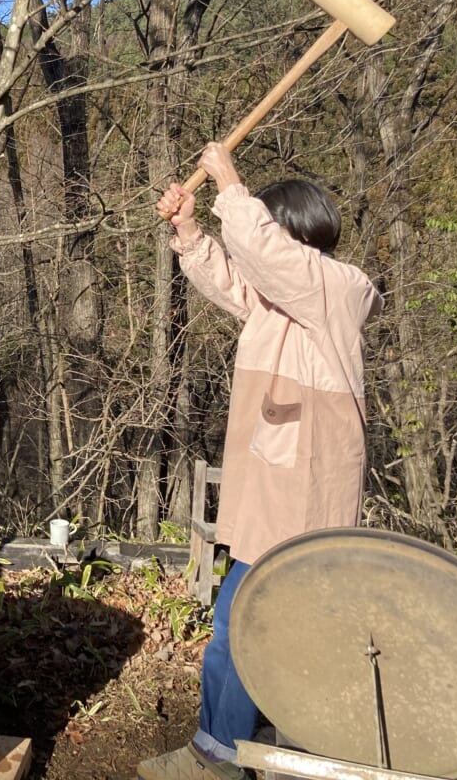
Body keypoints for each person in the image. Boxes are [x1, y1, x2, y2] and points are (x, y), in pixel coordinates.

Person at [138, 143, 383, 780]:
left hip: (299, 515)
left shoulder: (336, 290)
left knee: (246, 632)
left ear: (292, 232)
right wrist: (190, 227)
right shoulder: (286, 299)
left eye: (267, 229)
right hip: (270, 509)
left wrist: (231, 187)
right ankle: (237, 750)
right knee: (242, 630)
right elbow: (234, 277)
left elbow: (271, 262)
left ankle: (227, 756)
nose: (260, 242)